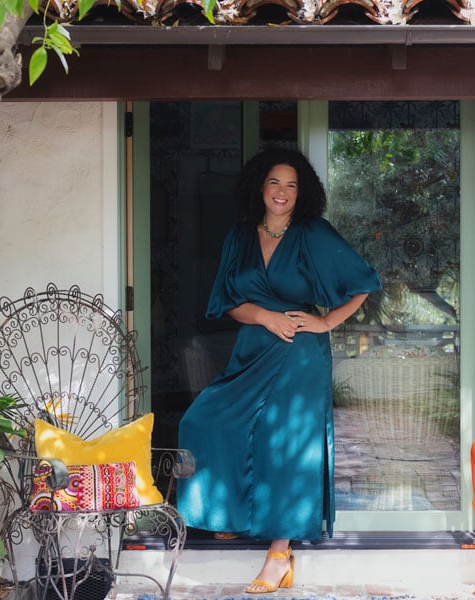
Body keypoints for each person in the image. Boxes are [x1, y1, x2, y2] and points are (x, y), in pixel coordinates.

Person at [178, 147, 381, 593]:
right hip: (253, 349)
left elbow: (365, 281)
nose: (282, 192)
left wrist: (326, 321)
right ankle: (228, 514)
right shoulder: (240, 237)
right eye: (275, 182)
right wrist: (265, 317)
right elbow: (229, 303)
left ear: (301, 192)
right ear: (260, 186)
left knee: (283, 444)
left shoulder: (313, 234)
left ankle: (278, 554)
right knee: (205, 420)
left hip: (300, 354)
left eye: (292, 185)